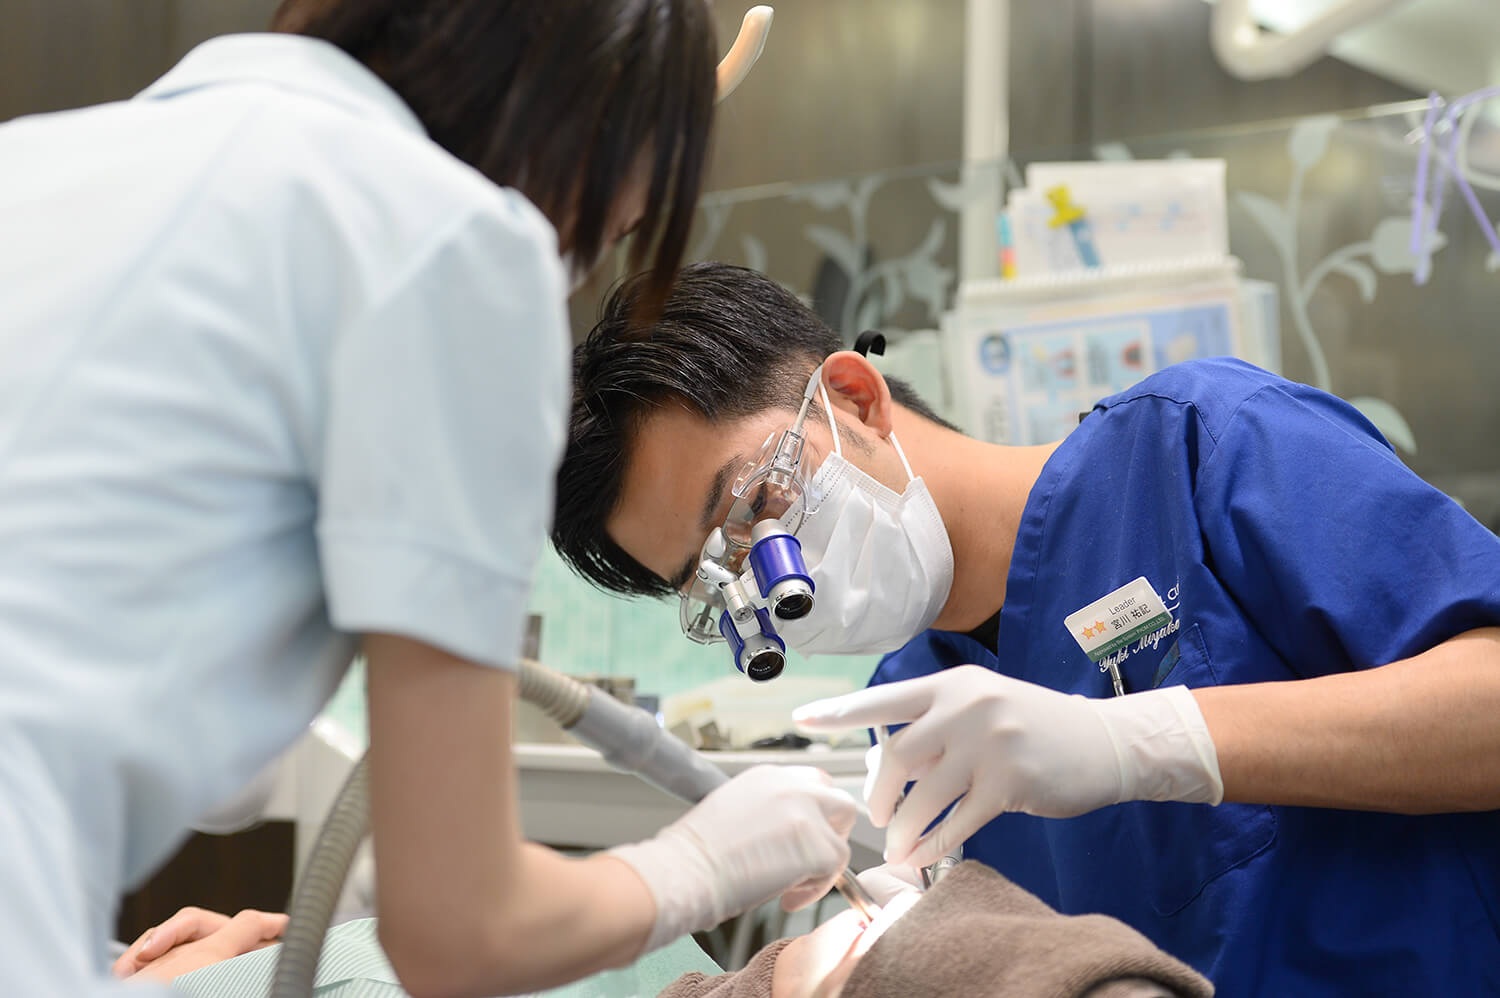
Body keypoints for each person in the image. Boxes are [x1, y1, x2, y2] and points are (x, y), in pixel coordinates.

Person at [0, 5, 860, 995]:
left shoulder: (44, 162)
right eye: (620, 227)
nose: (575, 265)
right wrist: (701, 865)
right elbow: (459, 929)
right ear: (582, 140)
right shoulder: (452, 247)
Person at [550, 261, 1500, 996]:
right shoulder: (910, 704)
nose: (768, 578)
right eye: (719, 581)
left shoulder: (1198, 446)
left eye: (753, 505)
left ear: (855, 398)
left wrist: (1142, 741)